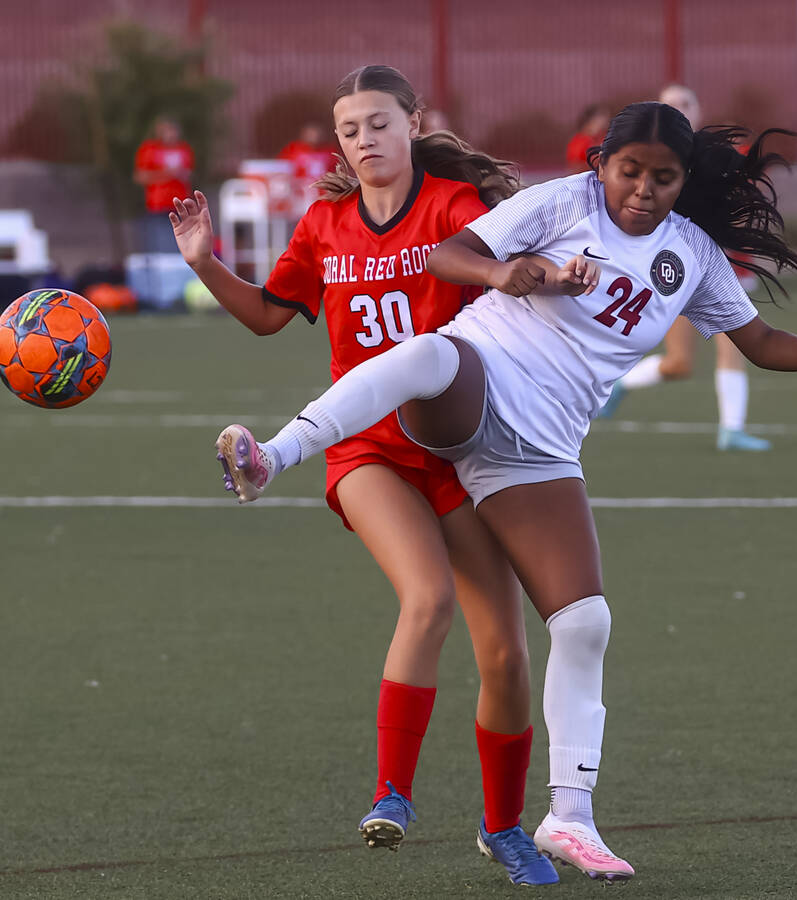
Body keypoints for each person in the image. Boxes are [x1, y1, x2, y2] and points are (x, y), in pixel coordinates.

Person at [217, 101, 797, 881]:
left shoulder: (692, 254)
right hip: (474, 383)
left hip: (538, 450)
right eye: (629, 170)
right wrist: (505, 272)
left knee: (586, 621)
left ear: (682, 180)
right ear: (603, 164)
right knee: (430, 352)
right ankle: (274, 455)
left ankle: (569, 817)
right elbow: (448, 254)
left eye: (662, 177)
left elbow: (758, 342)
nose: (642, 188)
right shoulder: (565, 200)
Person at [170, 65, 557, 886]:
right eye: (349, 129)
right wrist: (205, 262)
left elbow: (522, 283)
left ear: (413, 123)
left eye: (378, 123)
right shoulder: (323, 225)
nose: (364, 140)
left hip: (459, 450)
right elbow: (270, 316)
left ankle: (504, 828)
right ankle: (392, 794)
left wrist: (560, 275)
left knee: (508, 655)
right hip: (365, 449)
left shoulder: (457, 212)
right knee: (429, 598)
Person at [600, 83, 771, 451]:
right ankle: (621, 384)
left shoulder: (723, 159)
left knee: (735, 345)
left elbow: (745, 207)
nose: (681, 108)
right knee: (679, 364)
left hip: (723, 268)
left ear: (699, 109)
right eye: (672, 104)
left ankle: (731, 429)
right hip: (672, 272)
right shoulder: (648, 163)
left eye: (687, 103)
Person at [134, 117, 195, 254]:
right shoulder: (150, 149)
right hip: (159, 205)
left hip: (181, 205)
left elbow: (189, 172)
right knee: (161, 247)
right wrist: (167, 174)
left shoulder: (184, 149)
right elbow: (140, 176)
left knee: (181, 246)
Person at [565, 103, 610, 174]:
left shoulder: (604, 138)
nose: (605, 123)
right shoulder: (580, 141)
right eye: (600, 120)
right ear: (590, 121)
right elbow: (575, 166)